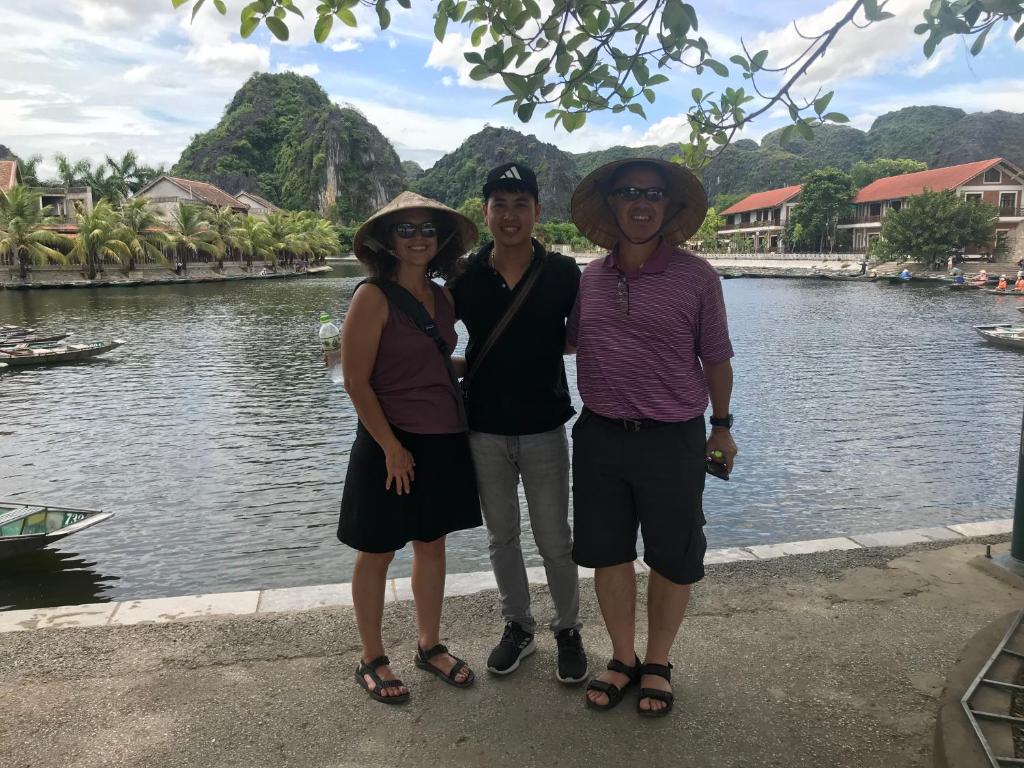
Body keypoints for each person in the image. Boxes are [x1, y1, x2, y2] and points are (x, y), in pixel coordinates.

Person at [566, 159, 737, 718]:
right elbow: (568, 340)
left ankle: (658, 661)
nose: (641, 203)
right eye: (628, 193)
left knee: (672, 556)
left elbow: (716, 357)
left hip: (673, 438)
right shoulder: (590, 277)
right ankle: (622, 657)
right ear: (611, 204)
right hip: (600, 436)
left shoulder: (697, 276)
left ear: (669, 207)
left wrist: (722, 426)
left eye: (653, 194)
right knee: (608, 554)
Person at [338, 191, 483, 704]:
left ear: (441, 240)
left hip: (443, 436)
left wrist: (491, 364)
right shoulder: (372, 297)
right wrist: (391, 448)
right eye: (406, 229)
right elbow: (355, 381)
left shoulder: (443, 299)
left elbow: (433, 363)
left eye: (428, 229)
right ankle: (372, 657)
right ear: (387, 240)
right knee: (377, 549)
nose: (419, 238)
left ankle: (429, 644)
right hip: (389, 441)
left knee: (431, 543)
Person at [447, 163, 588, 684]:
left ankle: (568, 629)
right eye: (499, 205)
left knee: (555, 538)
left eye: (520, 205)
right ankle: (518, 627)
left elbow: (582, 337)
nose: (510, 216)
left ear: (537, 211)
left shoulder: (563, 274)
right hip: (484, 428)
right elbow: (431, 338)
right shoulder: (465, 276)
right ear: (485, 213)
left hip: (544, 426)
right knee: (501, 536)